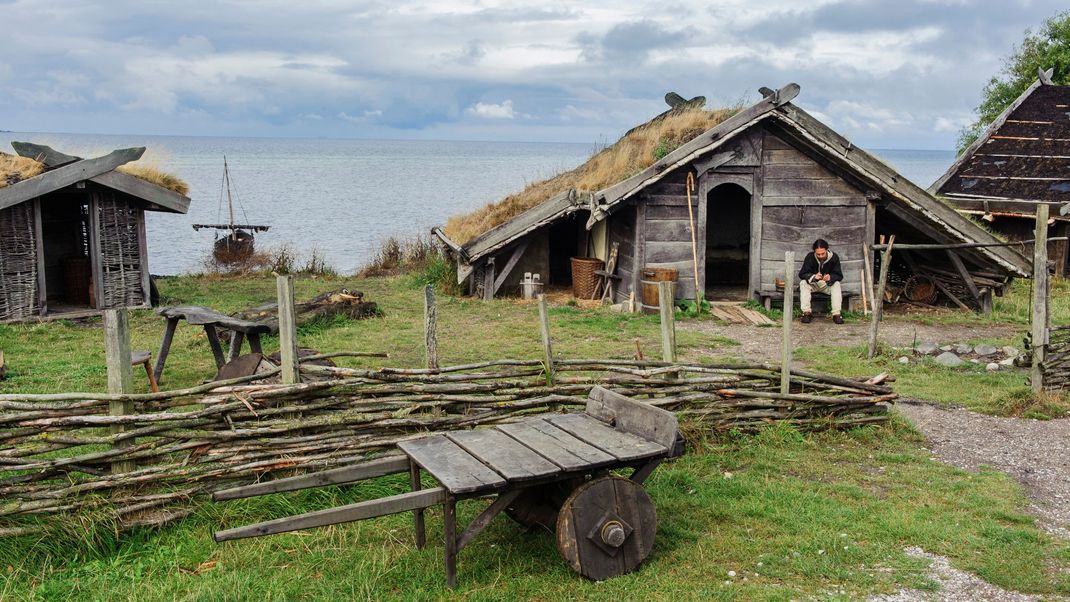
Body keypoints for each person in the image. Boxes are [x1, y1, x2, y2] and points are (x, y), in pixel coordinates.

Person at [798, 238, 844, 324]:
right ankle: (806, 313)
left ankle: (836, 314)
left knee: (837, 284)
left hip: (826, 285)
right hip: (814, 284)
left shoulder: (834, 258)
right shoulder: (810, 257)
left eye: (822, 253)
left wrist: (831, 277)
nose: (821, 256)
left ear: (827, 250)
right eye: (818, 254)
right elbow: (802, 274)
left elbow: (839, 275)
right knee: (803, 283)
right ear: (815, 252)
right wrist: (813, 276)